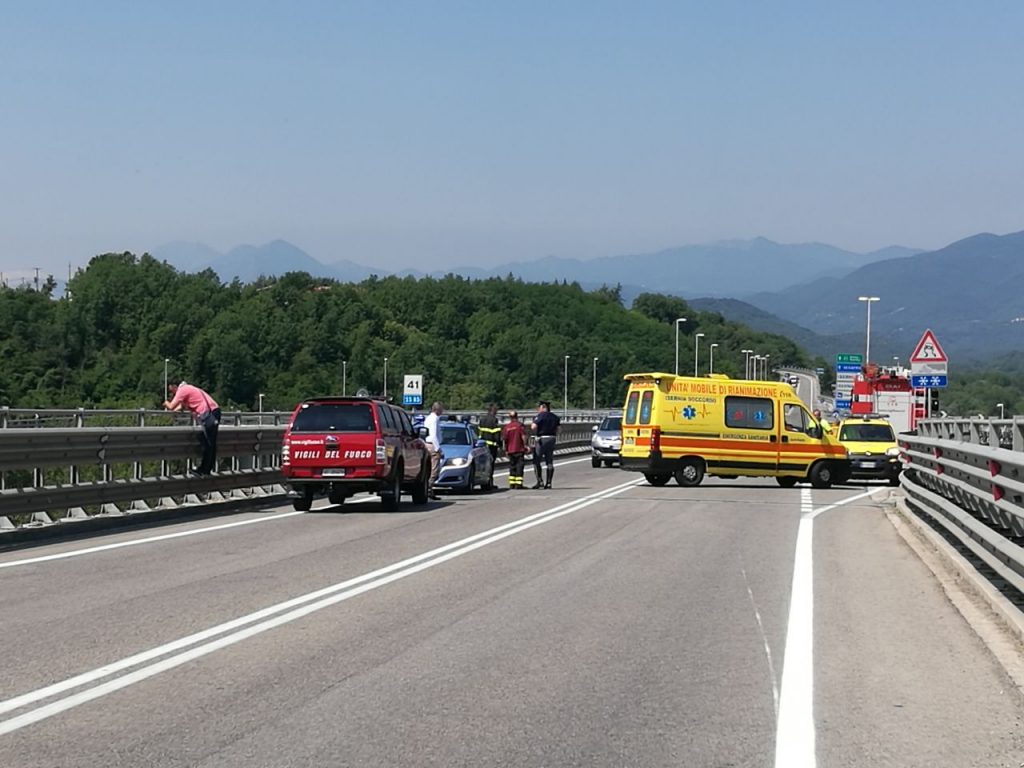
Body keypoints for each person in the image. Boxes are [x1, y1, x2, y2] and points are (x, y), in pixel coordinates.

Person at [164, 381, 221, 475]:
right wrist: (175, 411)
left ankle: (204, 469)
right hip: (213, 411)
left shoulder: (182, 390)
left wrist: (166, 403)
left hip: (209, 414)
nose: (173, 394)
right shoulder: (189, 389)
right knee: (210, 443)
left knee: (208, 443)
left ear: (174, 386)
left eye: (171, 390)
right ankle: (207, 468)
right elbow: (180, 407)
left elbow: (171, 406)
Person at [531, 400, 561, 489]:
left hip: (542, 439)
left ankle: (540, 481)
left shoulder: (540, 416)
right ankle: (549, 483)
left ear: (543, 407)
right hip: (552, 438)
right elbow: (559, 430)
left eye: (539, 407)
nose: (538, 409)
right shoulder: (555, 417)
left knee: (537, 461)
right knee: (549, 461)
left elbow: (533, 427)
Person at [501, 410, 529, 490]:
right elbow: (523, 436)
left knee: (512, 466)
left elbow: (504, 440)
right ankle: (518, 485)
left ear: (510, 417)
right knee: (519, 467)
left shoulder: (507, 427)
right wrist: (525, 445)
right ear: (517, 416)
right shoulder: (520, 426)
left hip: (510, 450)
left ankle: (512, 484)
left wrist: (506, 450)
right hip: (519, 449)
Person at [422, 401, 444, 499]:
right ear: (438, 410)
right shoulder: (435, 419)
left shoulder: (428, 418)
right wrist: (438, 448)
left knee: (429, 469)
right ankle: (428, 488)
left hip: (427, 444)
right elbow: (433, 435)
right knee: (435, 470)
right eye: (442, 409)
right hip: (432, 445)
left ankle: (429, 490)